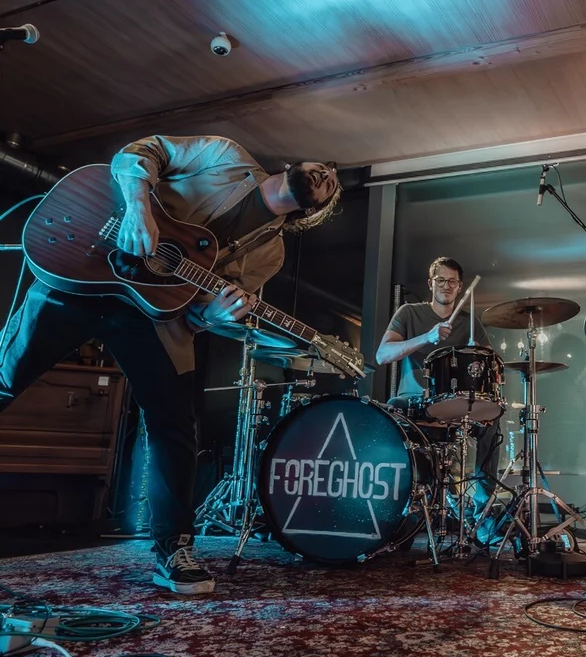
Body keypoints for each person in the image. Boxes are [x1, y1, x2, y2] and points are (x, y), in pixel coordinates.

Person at [0, 135, 340, 596]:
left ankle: (174, 549)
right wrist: (139, 206)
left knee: (175, 424)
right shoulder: (226, 156)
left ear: (315, 211)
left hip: (150, 320)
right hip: (81, 274)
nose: (329, 174)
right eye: (327, 166)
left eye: (333, 184)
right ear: (297, 161)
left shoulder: (270, 254)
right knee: (5, 378)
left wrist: (214, 318)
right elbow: (138, 153)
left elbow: (197, 309)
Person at [376, 257, 502, 537]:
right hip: (414, 402)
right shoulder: (409, 313)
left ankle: (483, 510)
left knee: (492, 421)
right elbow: (382, 355)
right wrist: (426, 338)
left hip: (455, 404)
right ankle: (394, 507)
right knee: (393, 408)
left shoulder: (470, 323)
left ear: (460, 288)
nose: (447, 286)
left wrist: (480, 359)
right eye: (441, 280)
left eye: (453, 281)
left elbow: (491, 367)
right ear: (430, 284)